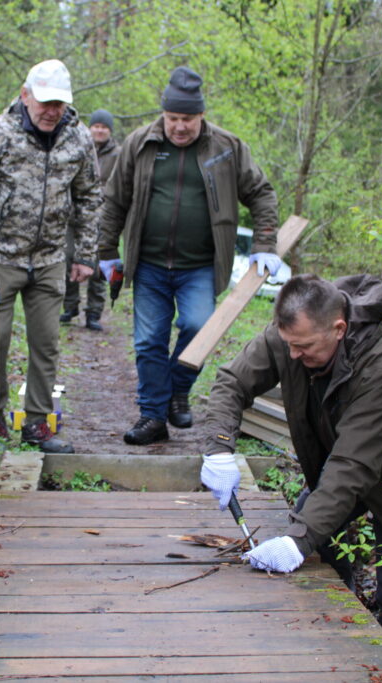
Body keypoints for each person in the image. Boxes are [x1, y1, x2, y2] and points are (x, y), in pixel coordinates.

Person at [199, 273, 382, 664]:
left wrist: (298, 539)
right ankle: (330, 643)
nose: (292, 356)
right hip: (354, 450)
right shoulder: (297, 329)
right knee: (322, 545)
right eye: (288, 344)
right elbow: (232, 380)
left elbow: (353, 465)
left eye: (303, 347)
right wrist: (219, 448)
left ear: (339, 329)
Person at [98, 65, 285, 446]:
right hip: (148, 264)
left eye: (188, 119)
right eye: (172, 118)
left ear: (201, 116)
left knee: (200, 327)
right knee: (149, 341)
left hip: (200, 265)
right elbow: (114, 200)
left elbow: (262, 194)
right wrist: (105, 250)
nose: (179, 126)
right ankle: (152, 416)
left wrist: (265, 244)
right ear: (163, 114)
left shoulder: (226, 148)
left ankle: (177, 390)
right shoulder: (139, 143)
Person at [0, 59, 101, 454]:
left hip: (48, 259)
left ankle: (37, 423)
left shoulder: (78, 139)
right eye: (45, 102)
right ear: (25, 95)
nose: (51, 111)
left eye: (59, 105)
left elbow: (89, 197)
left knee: (46, 342)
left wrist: (84, 254)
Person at [60, 108, 120, 331]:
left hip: (103, 217)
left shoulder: (118, 155)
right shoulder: (77, 147)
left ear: (110, 131)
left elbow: (120, 187)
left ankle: (94, 313)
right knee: (68, 260)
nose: (100, 130)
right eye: (96, 126)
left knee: (98, 268)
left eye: (104, 127)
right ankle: (70, 306)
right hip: (72, 216)